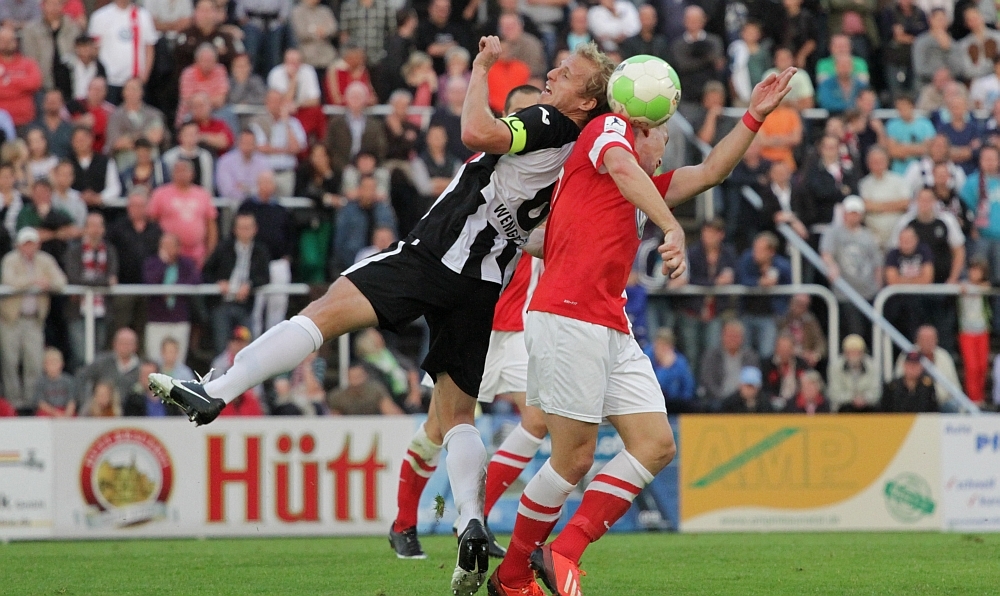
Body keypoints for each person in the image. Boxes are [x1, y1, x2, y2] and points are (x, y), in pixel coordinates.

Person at [151, 37, 617, 596]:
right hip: (483, 286)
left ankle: (217, 390)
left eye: (566, 73)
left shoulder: (546, 120)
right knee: (457, 416)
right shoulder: (575, 157)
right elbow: (539, 237)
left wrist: (480, 68)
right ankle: (471, 522)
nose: (553, 74)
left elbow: (476, 131)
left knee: (323, 313)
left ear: (584, 102)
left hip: (434, 255)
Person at [491, 68, 794, 596]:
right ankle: (513, 577)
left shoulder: (643, 188)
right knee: (573, 458)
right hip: (568, 315)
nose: (664, 149)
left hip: (611, 323)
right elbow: (620, 164)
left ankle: (563, 549)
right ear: (641, 126)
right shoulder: (606, 129)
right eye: (662, 137)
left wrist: (753, 117)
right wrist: (672, 227)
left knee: (655, 444)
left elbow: (712, 170)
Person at [389, 87, 543, 561]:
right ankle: (403, 523)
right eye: (518, 113)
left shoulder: (548, 176)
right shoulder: (484, 170)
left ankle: (474, 518)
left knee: (537, 419)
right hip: (467, 321)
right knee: (439, 429)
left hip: (515, 330)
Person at [1, 228, 66, 415]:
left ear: (38, 244)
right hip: (10, 319)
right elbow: (9, 281)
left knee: (34, 363)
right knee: (10, 362)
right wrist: (34, 281)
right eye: (26, 244)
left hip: (34, 320)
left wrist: (48, 284)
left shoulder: (45, 260)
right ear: (19, 245)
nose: (29, 247)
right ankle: (13, 404)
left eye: (32, 243)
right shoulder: (10, 260)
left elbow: (61, 281)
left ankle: (31, 404)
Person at [201, 212, 270, 354]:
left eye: (248, 227)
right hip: (222, 304)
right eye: (241, 228)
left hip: (245, 306)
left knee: (247, 348)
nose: (244, 231)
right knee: (222, 348)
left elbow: (265, 277)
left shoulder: (260, 251)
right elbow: (206, 272)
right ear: (234, 229)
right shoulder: (223, 248)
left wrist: (250, 285)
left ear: (255, 229)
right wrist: (219, 283)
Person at [676, 219, 737, 375]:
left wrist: (729, 278)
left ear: (720, 235)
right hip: (692, 311)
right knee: (691, 353)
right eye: (705, 232)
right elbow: (689, 279)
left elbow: (736, 274)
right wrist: (715, 282)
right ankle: (692, 387)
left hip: (715, 312)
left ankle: (707, 385)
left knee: (711, 352)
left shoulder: (728, 253)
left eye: (711, 233)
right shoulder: (693, 252)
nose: (707, 236)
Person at [237, 170, 293, 335]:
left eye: (270, 183)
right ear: (258, 185)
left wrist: (287, 257)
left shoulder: (280, 209)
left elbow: (290, 235)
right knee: (256, 305)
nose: (267, 186)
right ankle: (255, 339)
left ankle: (275, 338)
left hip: (277, 262)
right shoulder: (248, 207)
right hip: (253, 261)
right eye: (263, 183)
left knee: (278, 304)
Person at [820, 195, 882, 340]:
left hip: (868, 292)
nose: (853, 216)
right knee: (853, 332)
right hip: (845, 293)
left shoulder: (868, 235)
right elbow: (826, 253)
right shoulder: (834, 232)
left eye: (856, 213)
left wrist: (878, 289)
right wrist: (832, 266)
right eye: (850, 213)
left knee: (869, 334)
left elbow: (877, 264)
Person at [63, 212, 118, 370]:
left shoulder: (109, 251)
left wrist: (98, 282)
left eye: (99, 226)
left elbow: (113, 276)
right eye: (92, 226)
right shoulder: (74, 251)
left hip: (101, 310)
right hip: (78, 309)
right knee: (81, 354)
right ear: (85, 229)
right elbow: (74, 277)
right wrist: (103, 282)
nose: (95, 230)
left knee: (98, 353)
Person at [106, 188, 161, 342]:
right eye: (132, 205)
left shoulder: (156, 230)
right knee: (120, 326)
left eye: (140, 205)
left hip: (148, 289)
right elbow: (108, 253)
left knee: (143, 329)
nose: (136, 209)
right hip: (123, 286)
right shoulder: (116, 228)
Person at [147, 159, 218, 268]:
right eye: (178, 171)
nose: (181, 174)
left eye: (185, 170)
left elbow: (211, 226)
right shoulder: (160, 194)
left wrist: (209, 254)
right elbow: (151, 222)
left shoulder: (203, 194)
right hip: (168, 255)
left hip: (197, 256)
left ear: (192, 173)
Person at [143, 233, 199, 363]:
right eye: (164, 246)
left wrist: (173, 288)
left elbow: (195, 280)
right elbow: (149, 281)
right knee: (154, 358)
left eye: (170, 246)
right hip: (157, 320)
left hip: (179, 319)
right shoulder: (152, 263)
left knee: (178, 360)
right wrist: (162, 264)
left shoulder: (186, 263)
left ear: (178, 248)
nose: (166, 249)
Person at [735, 231, 791, 359]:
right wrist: (759, 282)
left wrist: (780, 310)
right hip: (747, 314)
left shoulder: (782, 266)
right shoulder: (746, 260)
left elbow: (789, 289)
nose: (755, 252)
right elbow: (740, 279)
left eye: (760, 250)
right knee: (745, 353)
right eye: (755, 248)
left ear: (771, 252)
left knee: (766, 353)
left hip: (769, 316)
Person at [87, 0, 156, 103]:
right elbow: (93, 48)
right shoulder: (100, 16)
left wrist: (145, 76)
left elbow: (149, 47)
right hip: (109, 80)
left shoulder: (143, 15)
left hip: (134, 80)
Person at [251, 89, 306, 196]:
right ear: (267, 103)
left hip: (286, 173)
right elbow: (261, 148)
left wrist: (286, 123)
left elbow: (296, 148)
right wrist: (286, 150)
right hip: (265, 173)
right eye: (273, 101)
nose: (276, 105)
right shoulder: (258, 122)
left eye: (279, 101)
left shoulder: (294, 123)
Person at [105, 78, 168, 170]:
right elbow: (116, 143)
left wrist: (129, 138)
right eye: (129, 89)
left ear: (142, 92)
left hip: (151, 168)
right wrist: (145, 137)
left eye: (135, 89)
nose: (132, 93)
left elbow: (156, 138)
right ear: (123, 92)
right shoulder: (115, 116)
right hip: (125, 168)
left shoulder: (154, 114)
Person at [893, 324, 961, 411]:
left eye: (931, 339)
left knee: (952, 406)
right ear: (917, 340)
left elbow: (954, 386)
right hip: (912, 401)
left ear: (936, 340)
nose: (928, 343)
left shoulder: (944, 356)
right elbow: (898, 380)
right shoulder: (907, 355)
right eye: (924, 339)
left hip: (940, 402)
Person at [21, 0, 81, 95]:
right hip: (43, 84)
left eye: (57, 4)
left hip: (69, 81)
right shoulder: (31, 30)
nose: (54, 7)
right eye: (50, 4)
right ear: (43, 6)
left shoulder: (73, 28)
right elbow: (30, 57)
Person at [859, 147, 910, 247]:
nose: (878, 164)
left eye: (880, 161)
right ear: (868, 164)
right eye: (874, 161)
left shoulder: (899, 181)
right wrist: (893, 205)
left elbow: (905, 204)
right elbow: (865, 206)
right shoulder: (864, 184)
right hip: (873, 235)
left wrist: (876, 207)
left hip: (897, 234)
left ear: (887, 161)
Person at [958, 259, 990, 404]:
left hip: (982, 331)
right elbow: (959, 288)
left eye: (978, 271)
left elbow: (988, 287)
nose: (975, 273)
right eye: (973, 270)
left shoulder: (985, 286)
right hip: (967, 332)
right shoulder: (963, 285)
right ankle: (973, 399)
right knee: (972, 367)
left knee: (982, 366)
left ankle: (980, 397)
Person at [645, 328, 696, 413]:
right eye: (660, 345)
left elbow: (688, 387)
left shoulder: (679, 361)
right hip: (650, 404)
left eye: (666, 346)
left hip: (674, 405)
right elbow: (654, 387)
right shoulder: (646, 358)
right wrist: (665, 369)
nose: (662, 349)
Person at [828, 334, 880, 412]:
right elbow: (834, 393)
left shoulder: (872, 366)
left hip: (868, 406)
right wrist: (851, 398)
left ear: (863, 353)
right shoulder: (836, 367)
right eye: (850, 352)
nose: (854, 355)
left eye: (857, 352)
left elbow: (876, 391)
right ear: (845, 353)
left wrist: (864, 398)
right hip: (844, 407)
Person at [216, 129, 271, 201]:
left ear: (255, 144)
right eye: (245, 143)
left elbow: (267, 189)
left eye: (250, 143)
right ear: (238, 143)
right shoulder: (225, 161)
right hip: (232, 204)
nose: (248, 146)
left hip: (258, 204)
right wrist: (253, 190)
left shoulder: (263, 161)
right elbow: (226, 190)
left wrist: (245, 189)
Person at [327, 364, 402, 415]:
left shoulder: (375, 391)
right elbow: (335, 420)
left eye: (358, 377)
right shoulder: (337, 396)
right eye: (352, 377)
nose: (356, 381)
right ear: (347, 377)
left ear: (365, 376)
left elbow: (391, 411)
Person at [777, 294, 826, 369]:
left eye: (805, 305)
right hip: (786, 357)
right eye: (799, 304)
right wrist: (795, 352)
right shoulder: (782, 320)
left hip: (805, 360)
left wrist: (816, 355)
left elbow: (821, 343)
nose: (801, 308)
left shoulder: (810, 322)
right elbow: (778, 343)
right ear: (791, 303)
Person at [760, 333, 807, 410]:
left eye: (787, 349)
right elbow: (763, 389)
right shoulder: (766, 364)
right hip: (773, 405)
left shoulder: (801, 364)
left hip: (797, 405)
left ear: (793, 349)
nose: (784, 352)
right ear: (776, 348)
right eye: (782, 348)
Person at [33, 347, 76, 416]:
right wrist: (55, 413)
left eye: (55, 363)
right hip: (48, 411)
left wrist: (67, 414)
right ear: (44, 366)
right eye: (50, 363)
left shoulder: (69, 381)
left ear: (62, 364)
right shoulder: (40, 382)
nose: (53, 366)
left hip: (64, 410)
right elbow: (40, 403)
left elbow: (71, 401)